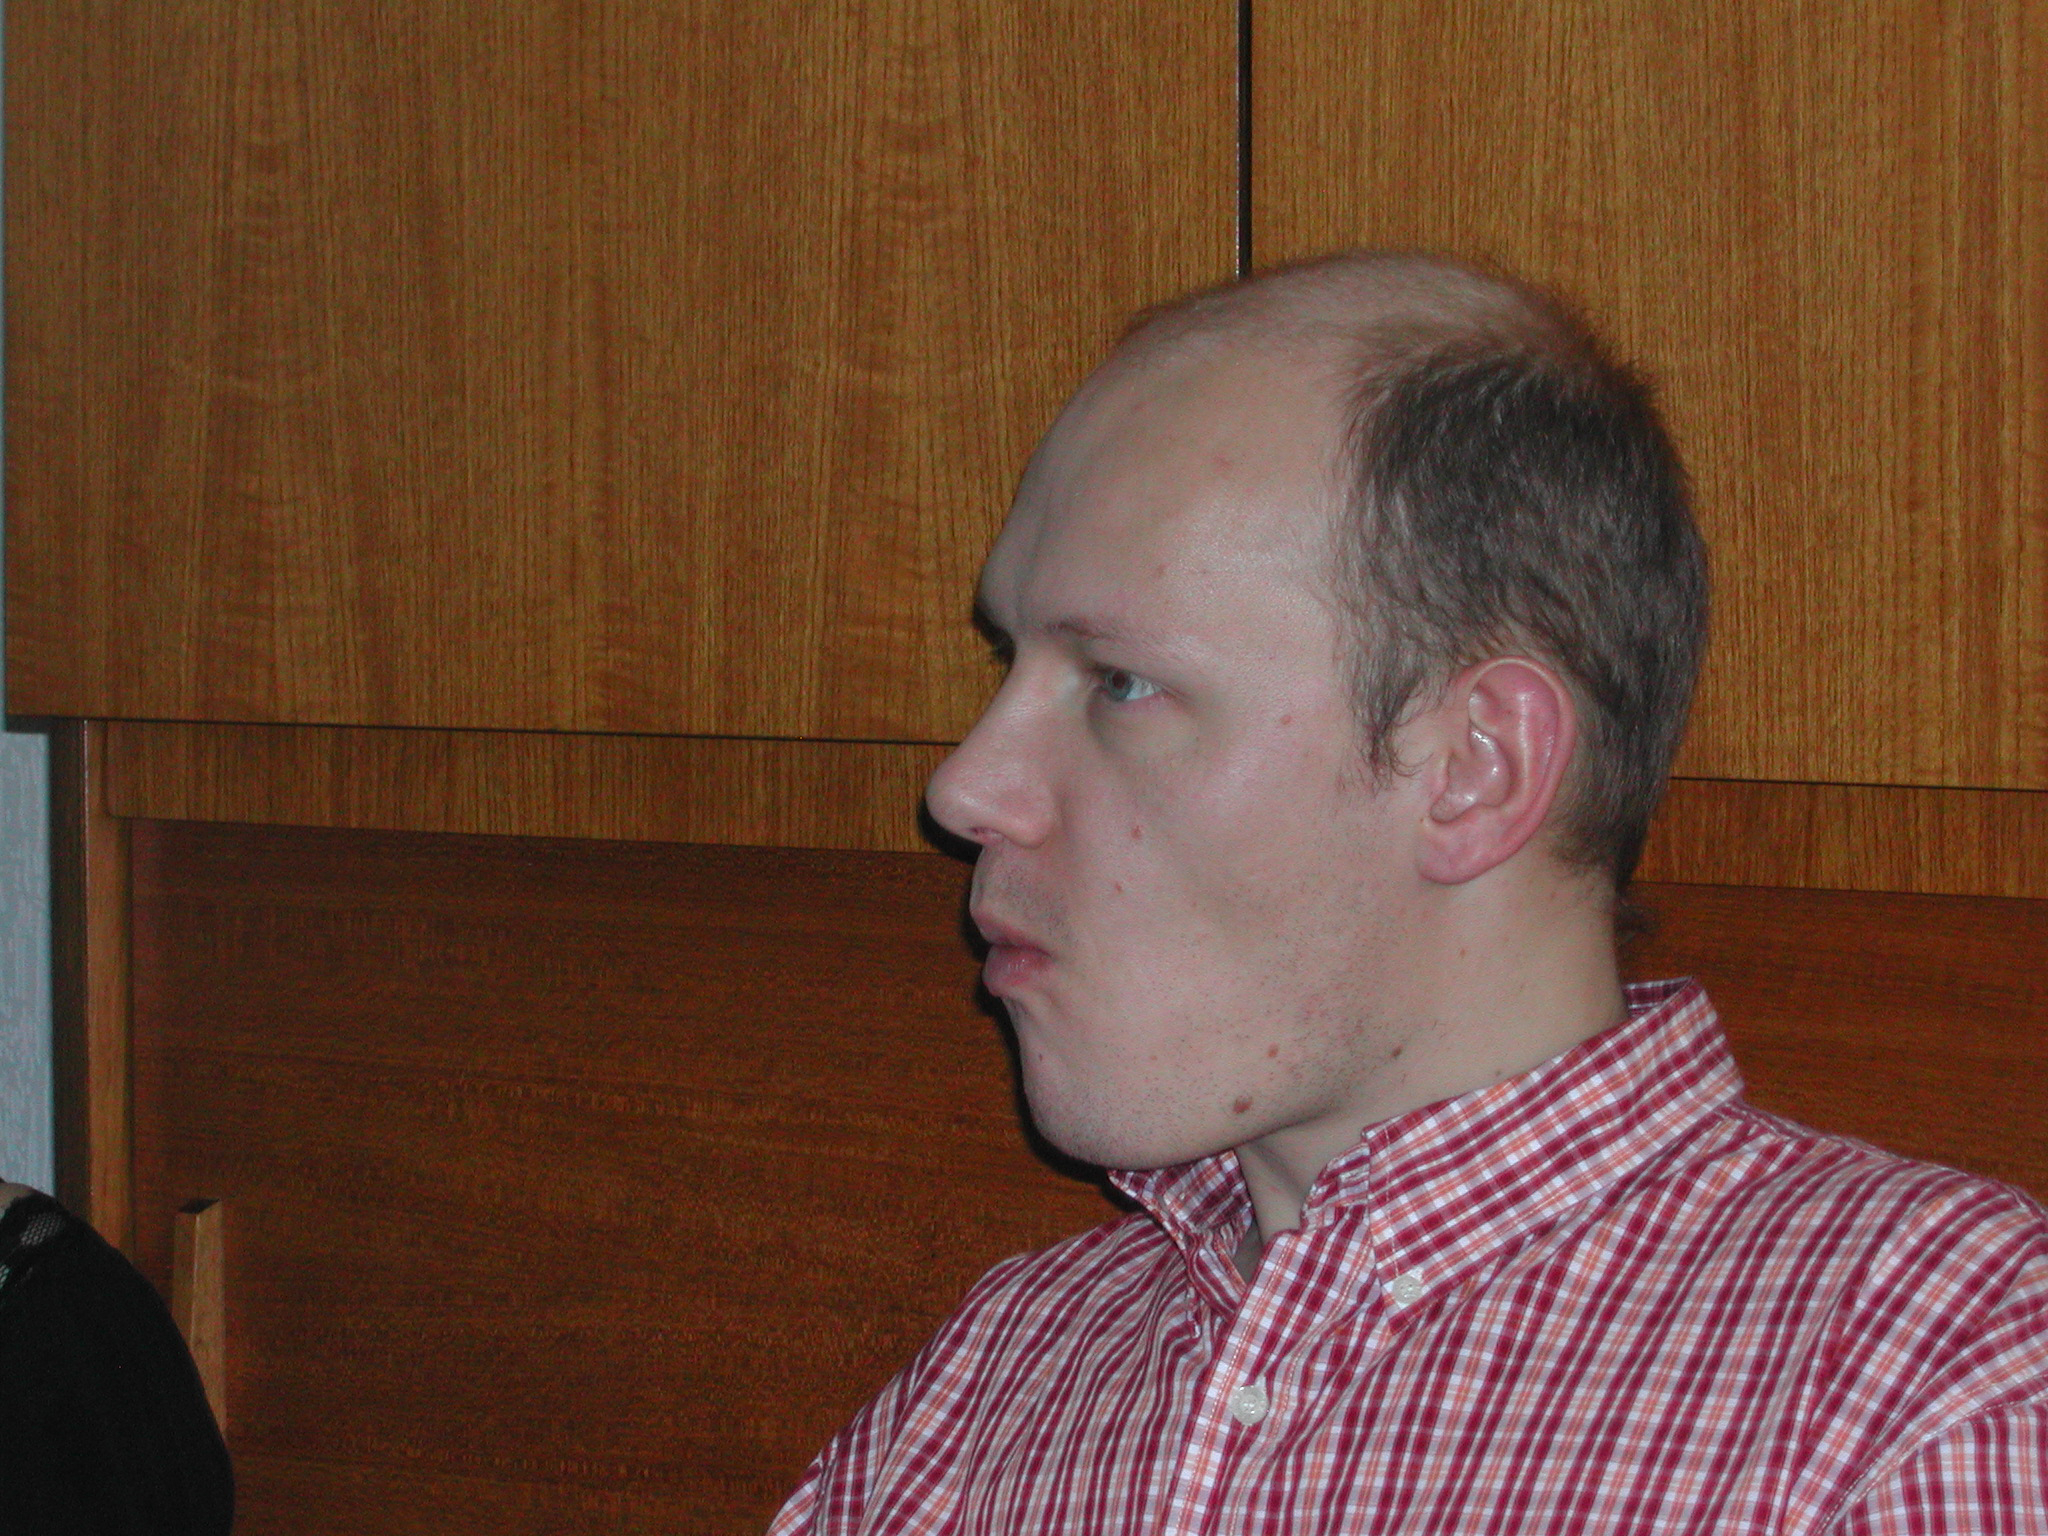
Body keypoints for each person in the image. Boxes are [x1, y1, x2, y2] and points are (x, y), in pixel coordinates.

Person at [768, 253, 2048, 1533]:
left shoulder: (1938, 1376)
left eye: (1119, 684)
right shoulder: (992, 1385)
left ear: (1472, 768)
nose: (964, 788)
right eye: (1010, 662)